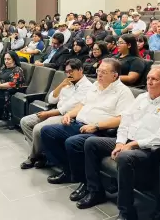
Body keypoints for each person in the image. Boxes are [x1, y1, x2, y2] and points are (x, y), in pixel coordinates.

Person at [79, 65, 160, 220]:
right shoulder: (142, 98)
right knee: (91, 143)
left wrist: (134, 144)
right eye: (148, 78)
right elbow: (125, 121)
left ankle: (126, 212)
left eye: (154, 79)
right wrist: (120, 143)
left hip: (150, 150)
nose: (149, 82)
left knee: (125, 157)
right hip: (128, 142)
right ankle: (95, 192)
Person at [39, 58, 134, 194]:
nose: (99, 74)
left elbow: (122, 119)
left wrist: (96, 125)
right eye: (98, 71)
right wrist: (69, 115)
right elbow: (82, 104)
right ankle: (69, 171)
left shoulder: (123, 92)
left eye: (104, 72)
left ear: (115, 75)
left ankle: (85, 182)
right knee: (47, 132)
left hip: (100, 131)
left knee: (72, 142)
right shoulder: (96, 85)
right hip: (79, 124)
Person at [20, 59, 93, 169]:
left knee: (38, 129)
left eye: (71, 71)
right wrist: (61, 85)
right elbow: (51, 100)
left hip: (67, 116)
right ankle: (44, 155)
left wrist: (49, 114)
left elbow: (69, 107)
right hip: (55, 111)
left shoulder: (87, 86)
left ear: (81, 70)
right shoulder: (67, 83)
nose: (69, 74)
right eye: (67, 72)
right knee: (25, 122)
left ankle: (33, 156)